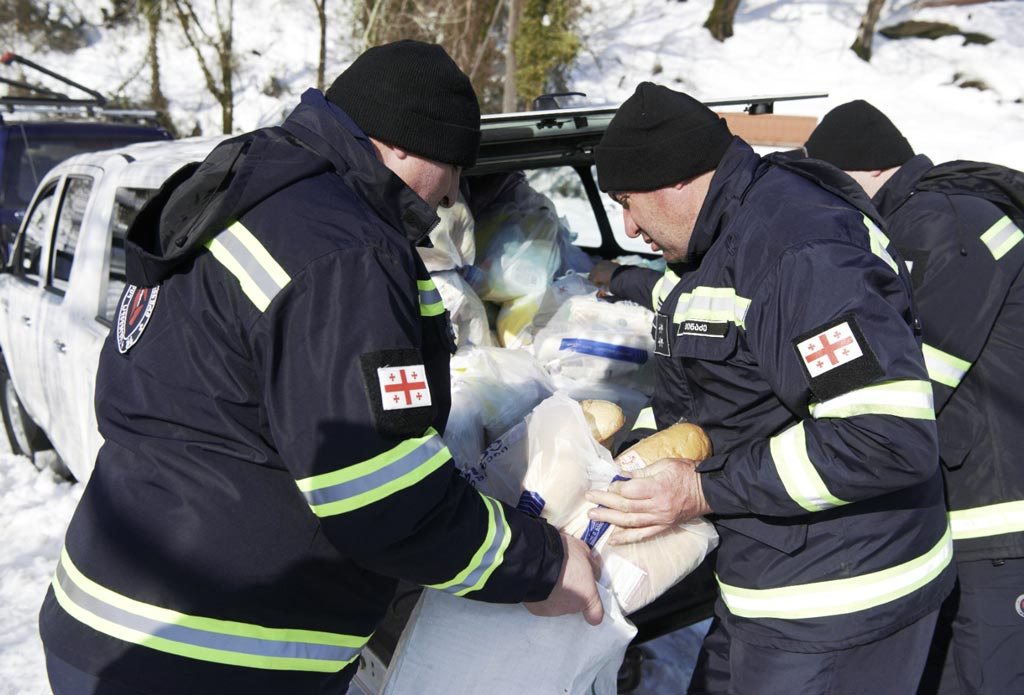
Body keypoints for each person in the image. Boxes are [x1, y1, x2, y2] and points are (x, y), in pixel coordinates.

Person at [38, 40, 602, 695]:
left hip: (106, 616)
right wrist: (541, 560)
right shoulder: (347, 253)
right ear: (400, 146)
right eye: (451, 166)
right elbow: (381, 495)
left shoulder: (249, 185)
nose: (451, 191)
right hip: (215, 654)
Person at [583, 82, 954, 694]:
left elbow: (885, 438)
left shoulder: (801, 251)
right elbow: (710, 397)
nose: (629, 227)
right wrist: (638, 456)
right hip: (768, 579)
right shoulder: (715, 241)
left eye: (628, 202)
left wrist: (702, 491)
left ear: (675, 178)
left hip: (843, 602)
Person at [804, 100, 1024, 695]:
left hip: (1000, 524)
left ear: (862, 173)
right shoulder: (923, 217)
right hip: (969, 516)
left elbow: (915, 376)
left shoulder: (939, 222)